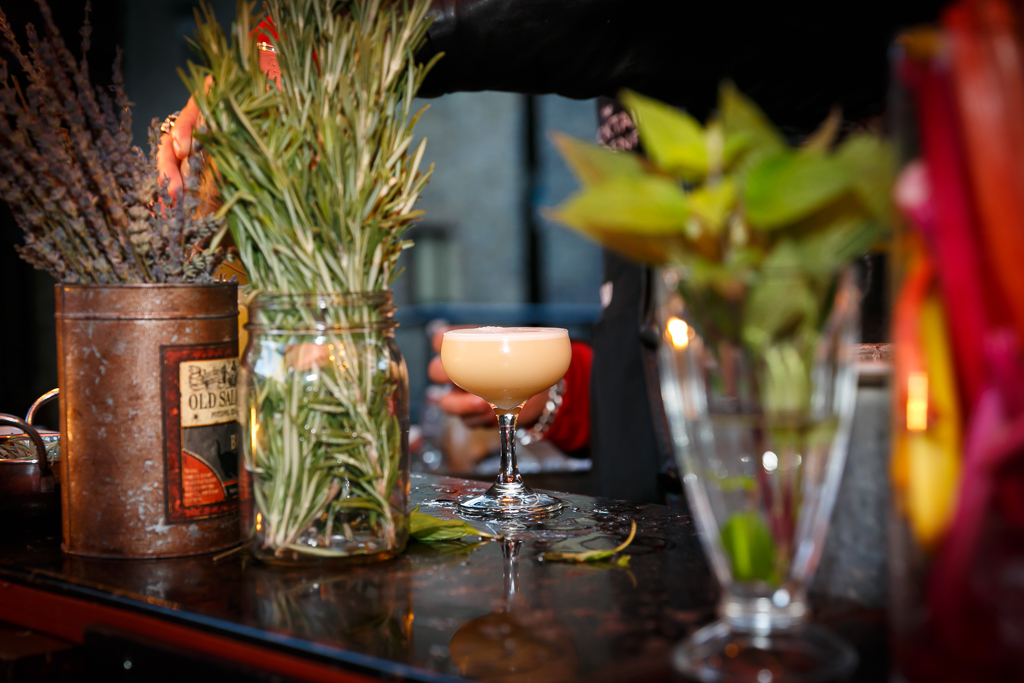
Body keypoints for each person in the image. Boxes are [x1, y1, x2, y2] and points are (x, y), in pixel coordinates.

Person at [159, 0, 946, 504]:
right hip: (668, 542)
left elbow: (563, 23)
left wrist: (291, 52)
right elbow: (678, 354)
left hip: (819, 510)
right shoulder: (670, 87)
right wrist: (569, 397)